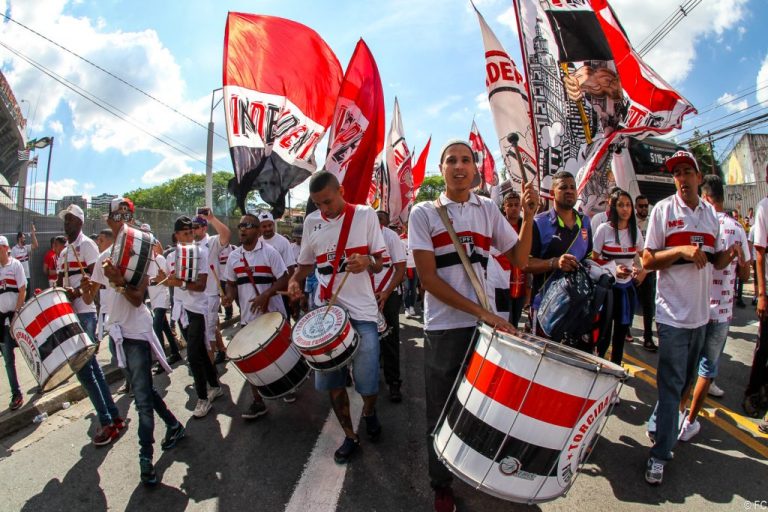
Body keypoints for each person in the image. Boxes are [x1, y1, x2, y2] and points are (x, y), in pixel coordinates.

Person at [408, 140, 536, 512]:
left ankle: (478, 470)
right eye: (452, 160)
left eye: (466, 160)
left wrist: (527, 217)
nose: (459, 166)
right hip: (445, 328)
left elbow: (520, 259)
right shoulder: (424, 213)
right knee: (442, 408)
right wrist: (485, 314)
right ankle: (442, 482)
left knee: (486, 406)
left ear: (476, 168)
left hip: (485, 330)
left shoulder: (488, 209)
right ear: (441, 168)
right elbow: (429, 281)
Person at [641, 151, 738, 486]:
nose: (682, 178)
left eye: (687, 172)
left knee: (683, 388)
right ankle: (659, 456)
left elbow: (714, 261)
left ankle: (659, 425)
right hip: (671, 316)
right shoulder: (663, 211)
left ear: (699, 178)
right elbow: (647, 260)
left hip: (701, 316)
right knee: (670, 388)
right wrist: (680, 251)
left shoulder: (711, 215)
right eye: (676, 173)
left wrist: (728, 256)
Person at [81, 197, 185, 485]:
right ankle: (174, 425)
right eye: (118, 214)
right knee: (144, 391)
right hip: (116, 335)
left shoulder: (142, 252)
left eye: (127, 213)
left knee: (141, 401)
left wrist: (120, 280)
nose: (123, 218)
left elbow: (138, 299)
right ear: (109, 219)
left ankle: (145, 460)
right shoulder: (103, 258)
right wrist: (84, 288)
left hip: (135, 335)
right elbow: (91, 298)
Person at [287, 170, 386, 465]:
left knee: (367, 383)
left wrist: (367, 260)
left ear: (341, 190)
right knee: (331, 380)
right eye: (318, 204)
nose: (324, 210)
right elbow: (305, 265)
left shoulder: (365, 215)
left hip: (363, 313)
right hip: (326, 315)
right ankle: (349, 435)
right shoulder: (311, 222)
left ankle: (368, 412)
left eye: (328, 202)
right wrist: (294, 281)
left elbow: (380, 262)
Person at [678, 175, 750, 441]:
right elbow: (744, 275)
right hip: (720, 313)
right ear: (721, 197)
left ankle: (678, 413)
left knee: (689, 366)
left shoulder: (701, 223)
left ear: (706, 197)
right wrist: (738, 258)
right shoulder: (736, 228)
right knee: (706, 369)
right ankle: (689, 423)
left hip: (695, 309)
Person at [57, 204, 126, 446]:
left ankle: (107, 421)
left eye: (71, 220)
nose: (66, 223)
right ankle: (114, 417)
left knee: (84, 371)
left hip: (85, 312)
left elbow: (93, 281)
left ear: (80, 223)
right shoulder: (65, 251)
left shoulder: (86, 245)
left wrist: (75, 292)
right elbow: (59, 280)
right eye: (65, 220)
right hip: (70, 314)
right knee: (92, 369)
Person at [222, 213, 289, 419]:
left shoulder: (269, 253)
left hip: (273, 316)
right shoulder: (234, 257)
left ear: (259, 230)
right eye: (241, 225)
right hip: (248, 319)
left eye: (248, 225)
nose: (243, 229)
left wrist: (266, 295)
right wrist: (228, 297)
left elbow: (284, 278)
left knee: (281, 356)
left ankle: (289, 385)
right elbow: (231, 283)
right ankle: (258, 402)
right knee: (249, 361)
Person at [165, 215, 223, 418]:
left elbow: (199, 286)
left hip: (198, 309)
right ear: (177, 235)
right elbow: (167, 280)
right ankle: (214, 385)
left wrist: (176, 283)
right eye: (185, 233)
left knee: (193, 354)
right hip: (181, 311)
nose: (189, 236)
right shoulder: (171, 257)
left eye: (191, 232)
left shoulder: (201, 253)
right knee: (198, 350)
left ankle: (202, 398)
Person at [527, 171, 594, 348]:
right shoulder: (538, 223)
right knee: (542, 362)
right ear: (552, 192)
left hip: (578, 308)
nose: (569, 191)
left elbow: (588, 259)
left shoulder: (585, 222)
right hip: (545, 308)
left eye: (572, 187)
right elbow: (525, 263)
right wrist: (555, 263)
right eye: (563, 187)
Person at [593, 189, 645, 370]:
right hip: (608, 289)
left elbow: (644, 257)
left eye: (628, 205)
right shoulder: (603, 230)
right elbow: (593, 259)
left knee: (621, 333)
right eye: (621, 205)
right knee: (604, 332)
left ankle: (614, 370)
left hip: (627, 289)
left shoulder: (635, 232)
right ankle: (599, 367)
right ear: (613, 207)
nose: (625, 209)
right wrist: (613, 268)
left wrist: (640, 271)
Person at [373, 210, 407, 403]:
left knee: (389, 339)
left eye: (380, 219)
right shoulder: (361, 235)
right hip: (366, 295)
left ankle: (394, 383)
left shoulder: (391, 236)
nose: (376, 222)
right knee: (367, 337)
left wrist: (385, 293)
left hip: (390, 293)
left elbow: (400, 269)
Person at [192, 211, 231, 365]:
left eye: (196, 227)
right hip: (195, 295)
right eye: (191, 227)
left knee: (208, 333)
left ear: (204, 228)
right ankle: (222, 350)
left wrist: (211, 218)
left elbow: (226, 234)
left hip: (210, 294)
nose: (193, 230)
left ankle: (211, 370)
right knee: (211, 326)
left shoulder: (212, 242)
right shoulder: (190, 245)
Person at [747, 176, 768, 418]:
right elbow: (759, 254)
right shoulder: (764, 207)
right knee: (764, 346)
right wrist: (761, 294)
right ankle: (751, 394)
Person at [0, 235, 26, 410]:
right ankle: (16, 393)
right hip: (1, 320)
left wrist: (16, 313)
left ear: (4, 248)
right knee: (8, 358)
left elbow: (23, 289)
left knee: (28, 350)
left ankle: (42, 380)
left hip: (15, 317)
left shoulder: (15, 265)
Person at [148, 239, 182, 371]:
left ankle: (161, 361)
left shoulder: (161, 259)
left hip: (163, 296)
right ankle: (175, 352)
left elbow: (167, 279)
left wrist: (159, 279)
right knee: (164, 326)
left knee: (156, 327)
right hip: (153, 298)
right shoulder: (145, 262)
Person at [634, 194, 658, 351]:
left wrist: (645, 270)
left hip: (648, 271)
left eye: (646, 206)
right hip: (632, 270)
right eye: (641, 206)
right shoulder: (631, 223)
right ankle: (627, 331)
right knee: (630, 304)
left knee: (649, 306)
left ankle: (648, 337)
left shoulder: (652, 223)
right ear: (636, 207)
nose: (644, 208)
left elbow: (656, 249)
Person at [502, 191, 528, 328]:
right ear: (504, 207)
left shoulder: (527, 227)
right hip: (502, 285)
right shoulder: (499, 226)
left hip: (521, 287)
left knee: (515, 323)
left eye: (517, 205)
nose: (513, 208)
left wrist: (529, 291)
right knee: (505, 324)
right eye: (510, 205)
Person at [11, 227, 38, 296]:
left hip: (27, 276)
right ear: (19, 239)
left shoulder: (26, 248)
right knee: (21, 295)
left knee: (27, 294)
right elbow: (12, 264)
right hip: (19, 277)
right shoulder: (14, 250)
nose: (25, 239)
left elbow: (35, 245)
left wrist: (33, 234)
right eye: (23, 238)